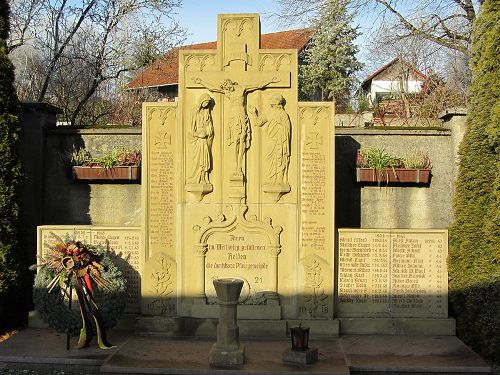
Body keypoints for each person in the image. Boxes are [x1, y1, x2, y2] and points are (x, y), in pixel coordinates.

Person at [193, 76, 279, 177]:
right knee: (235, 141)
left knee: (242, 140)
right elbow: (212, 88)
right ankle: (235, 167)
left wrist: (270, 80)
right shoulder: (227, 92)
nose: (227, 90)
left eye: (227, 87)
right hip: (233, 118)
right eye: (225, 88)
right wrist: (201, 82)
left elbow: (258, 85)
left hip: (242, 116)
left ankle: (239, 167)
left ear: (230, 83)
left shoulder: (242, 88)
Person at [249, 93, 291, 186]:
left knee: (280, 157)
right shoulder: (269, 112)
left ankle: (280, 180)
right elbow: (258, 122)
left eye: (273, 100)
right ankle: (271, 179)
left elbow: (287, 129)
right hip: (271, 140)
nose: (271, 101)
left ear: (277, 102)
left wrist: (280, 126)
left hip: (280, 141)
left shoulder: (283, 114)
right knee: (270, 159)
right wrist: (253, 113)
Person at [188, 94, 214, 184]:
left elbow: (209, 126)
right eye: (205, 102)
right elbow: (190, 131)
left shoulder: (207, 112)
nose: (206, 104)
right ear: (201, 101)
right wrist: (198, 134)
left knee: (205, 159)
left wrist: (208, 132)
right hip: (199, 140)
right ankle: (199, 178)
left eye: (208, 103)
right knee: (199, 160)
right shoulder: (194, 112)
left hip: (205, 140)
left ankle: (205, 177)